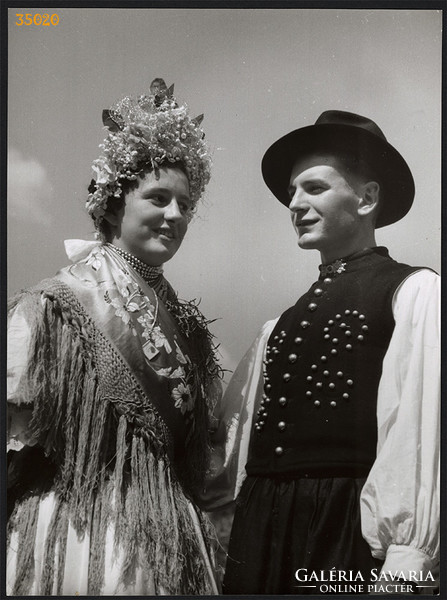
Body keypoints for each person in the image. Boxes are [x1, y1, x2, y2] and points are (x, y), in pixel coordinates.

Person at [6, 80, 222, 595]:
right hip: (79, 533)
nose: (175, 215)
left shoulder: (188, 330)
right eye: (158, 198)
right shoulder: (52, 308)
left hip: (169, 539)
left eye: (185, 204)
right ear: (111, 203)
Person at [214, 111, 440, 594]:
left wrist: (405, 558)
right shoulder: (278, 325)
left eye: (313, 188)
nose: (294, 204)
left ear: (367, 197)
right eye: (291, 193)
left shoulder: (413, 291)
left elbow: (416, 430)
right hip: (262, 532)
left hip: (343, 529)